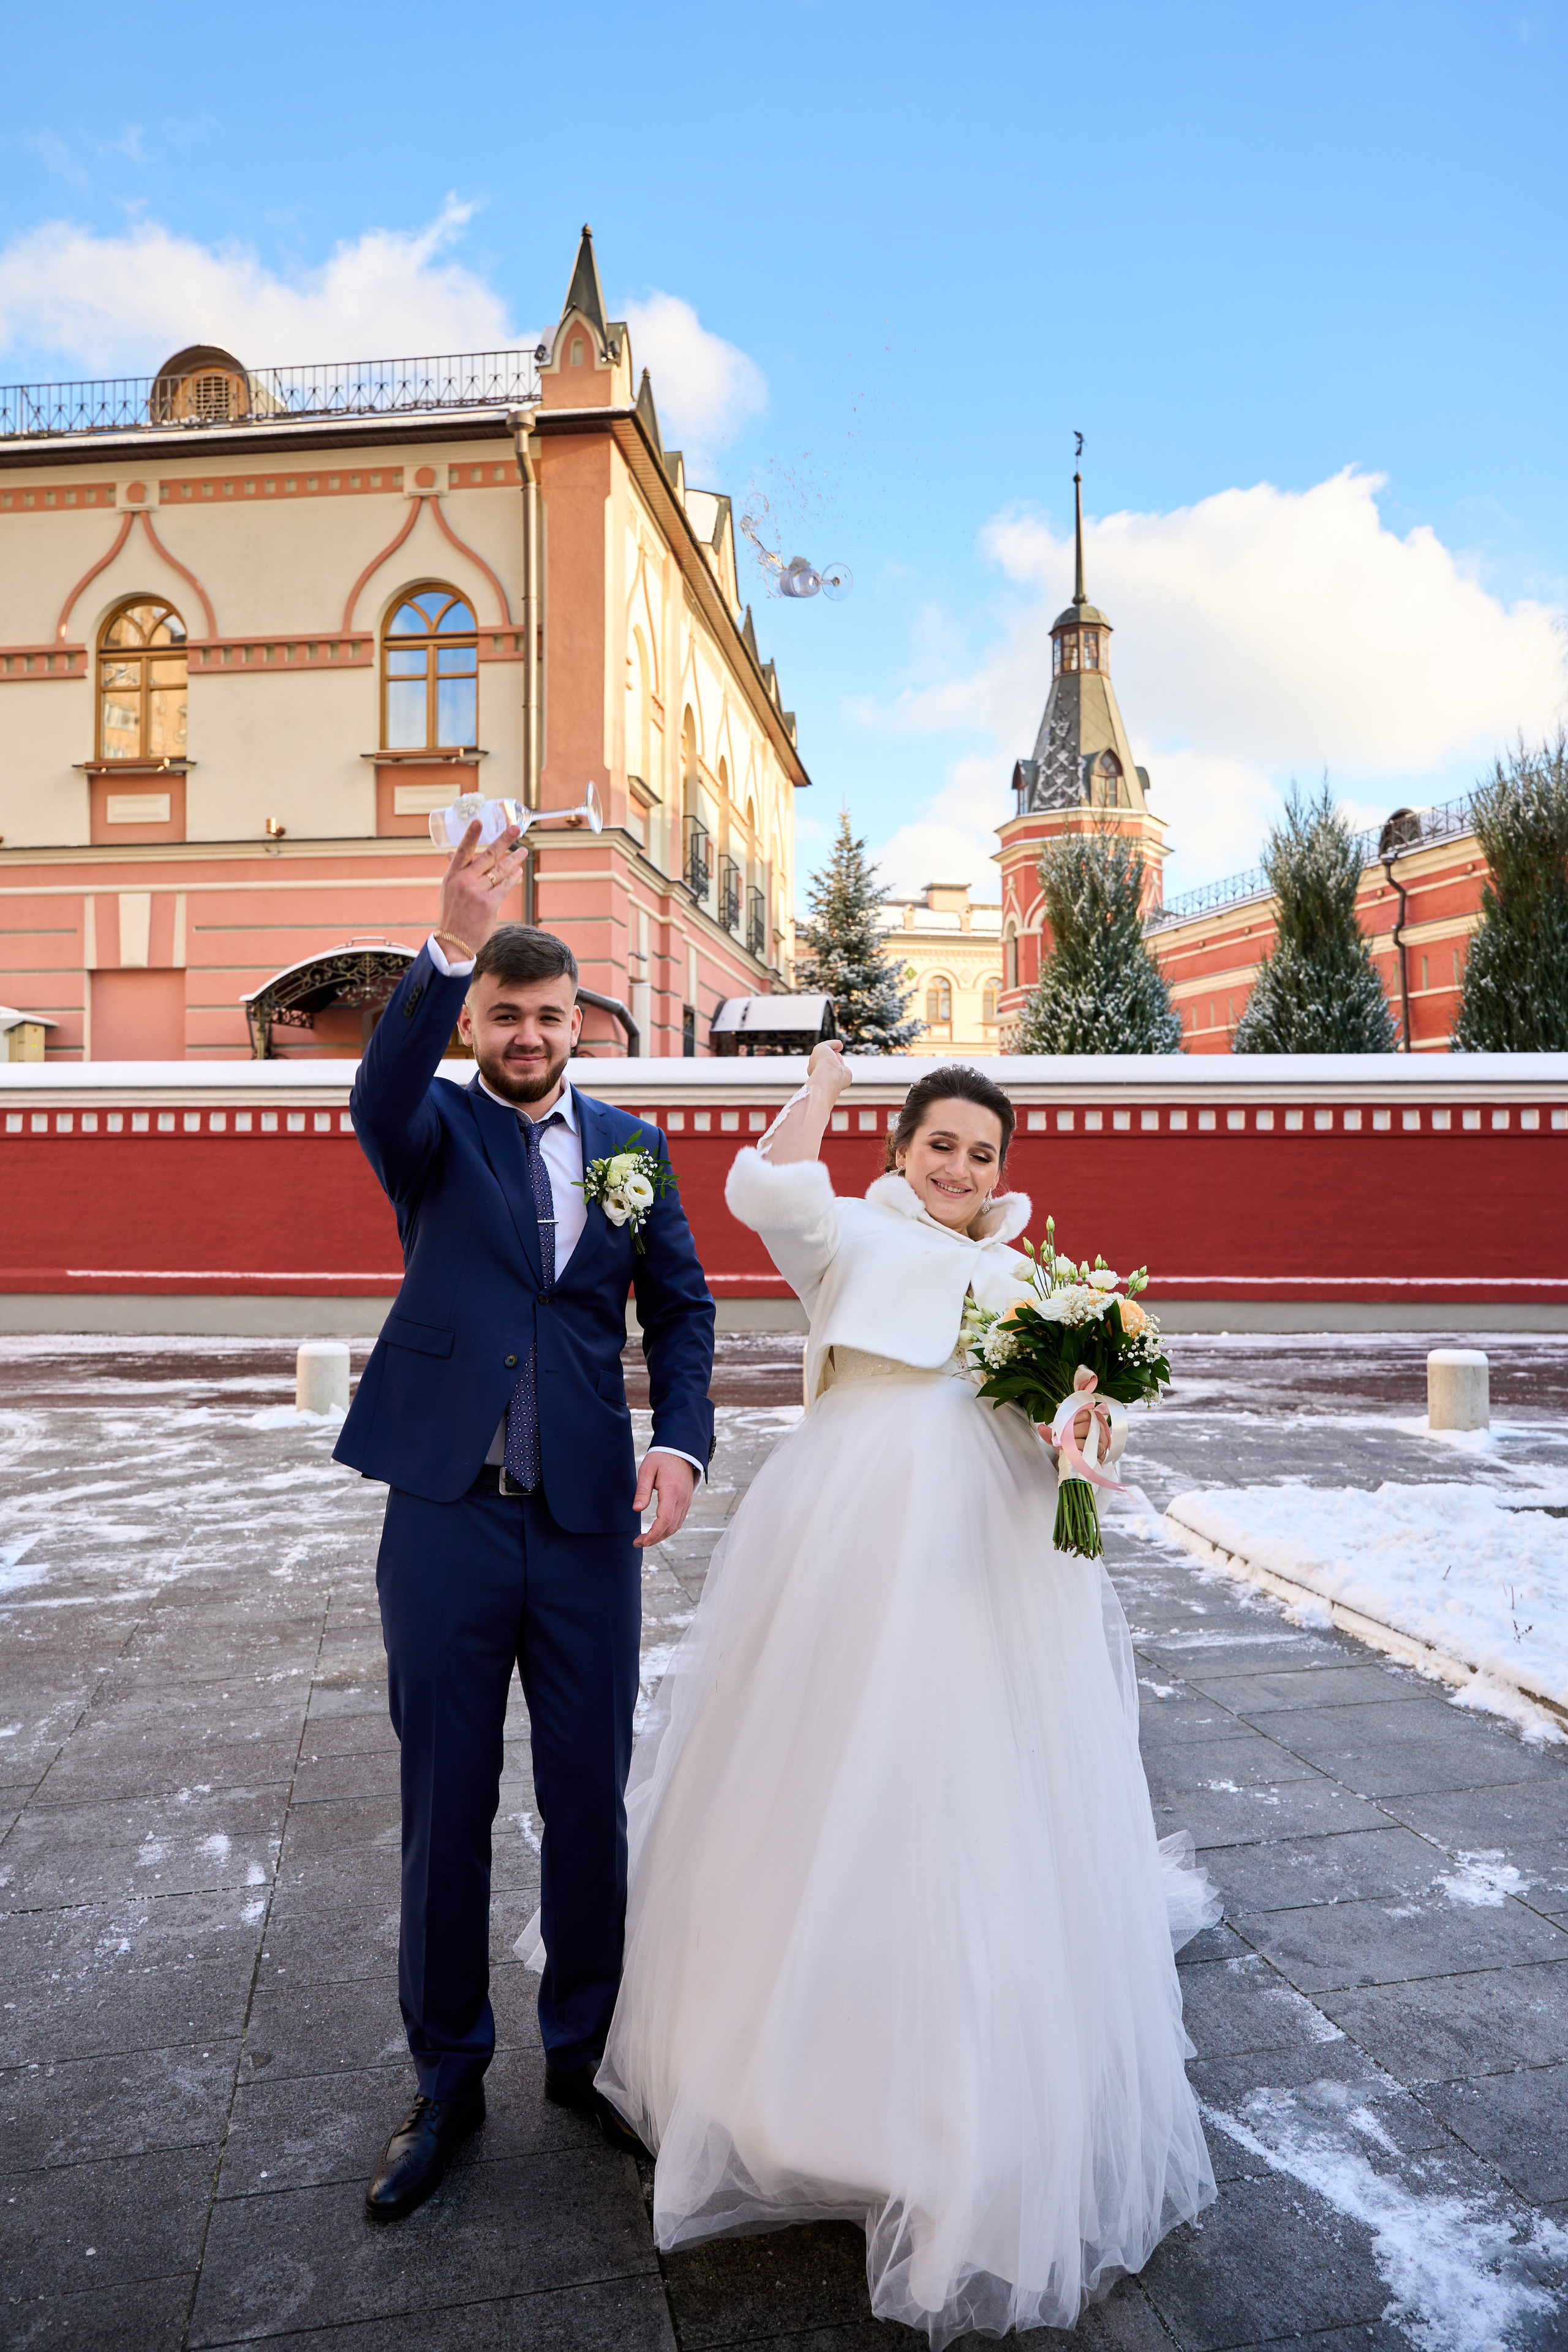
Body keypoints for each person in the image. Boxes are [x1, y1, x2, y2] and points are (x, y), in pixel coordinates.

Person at [593, 1044, 1219, 2346]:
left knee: (967, 1789)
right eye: (938, 1144)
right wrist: (817, 1091)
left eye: (981, 1154)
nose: (957, 1169)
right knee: (833, 1770)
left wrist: (1086, 1434)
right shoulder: (844, 1237)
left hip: (988, 1553)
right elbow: (764, 1186)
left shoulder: (1030, 1278)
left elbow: (1075, 1408)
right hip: (849, 1540)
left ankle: (968, 2083)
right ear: (899, 1152)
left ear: (1004, 1173)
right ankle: (803, 2078)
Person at [336, 818, 715, 2222]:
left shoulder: (631, 1147)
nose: (528, 1034)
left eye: (549, 1015)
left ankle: (587, 2049)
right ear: (479, 1022)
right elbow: (383, 1081)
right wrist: (441, 942)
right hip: (445, 1514)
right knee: (445, 1799)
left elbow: (680, 1308)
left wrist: (679, 1441)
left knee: (584, 1797)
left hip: (581, 1524)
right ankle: (446, 2077)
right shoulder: (428, 1131)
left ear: (578, 1026)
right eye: (503, 1014)